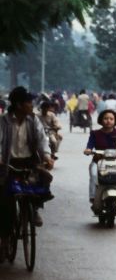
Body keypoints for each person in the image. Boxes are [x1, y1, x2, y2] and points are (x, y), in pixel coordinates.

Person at [0, 87, 56, 227]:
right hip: (7, 163)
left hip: (28, 162)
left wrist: (47, 156)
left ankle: (35, 209)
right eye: (29, 103)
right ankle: (5, 239)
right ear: (19, 105)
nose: (32, 106)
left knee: (42, 181)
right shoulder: (3, 121)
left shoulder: (33, 120)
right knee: (5, 200)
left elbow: (42, 139)